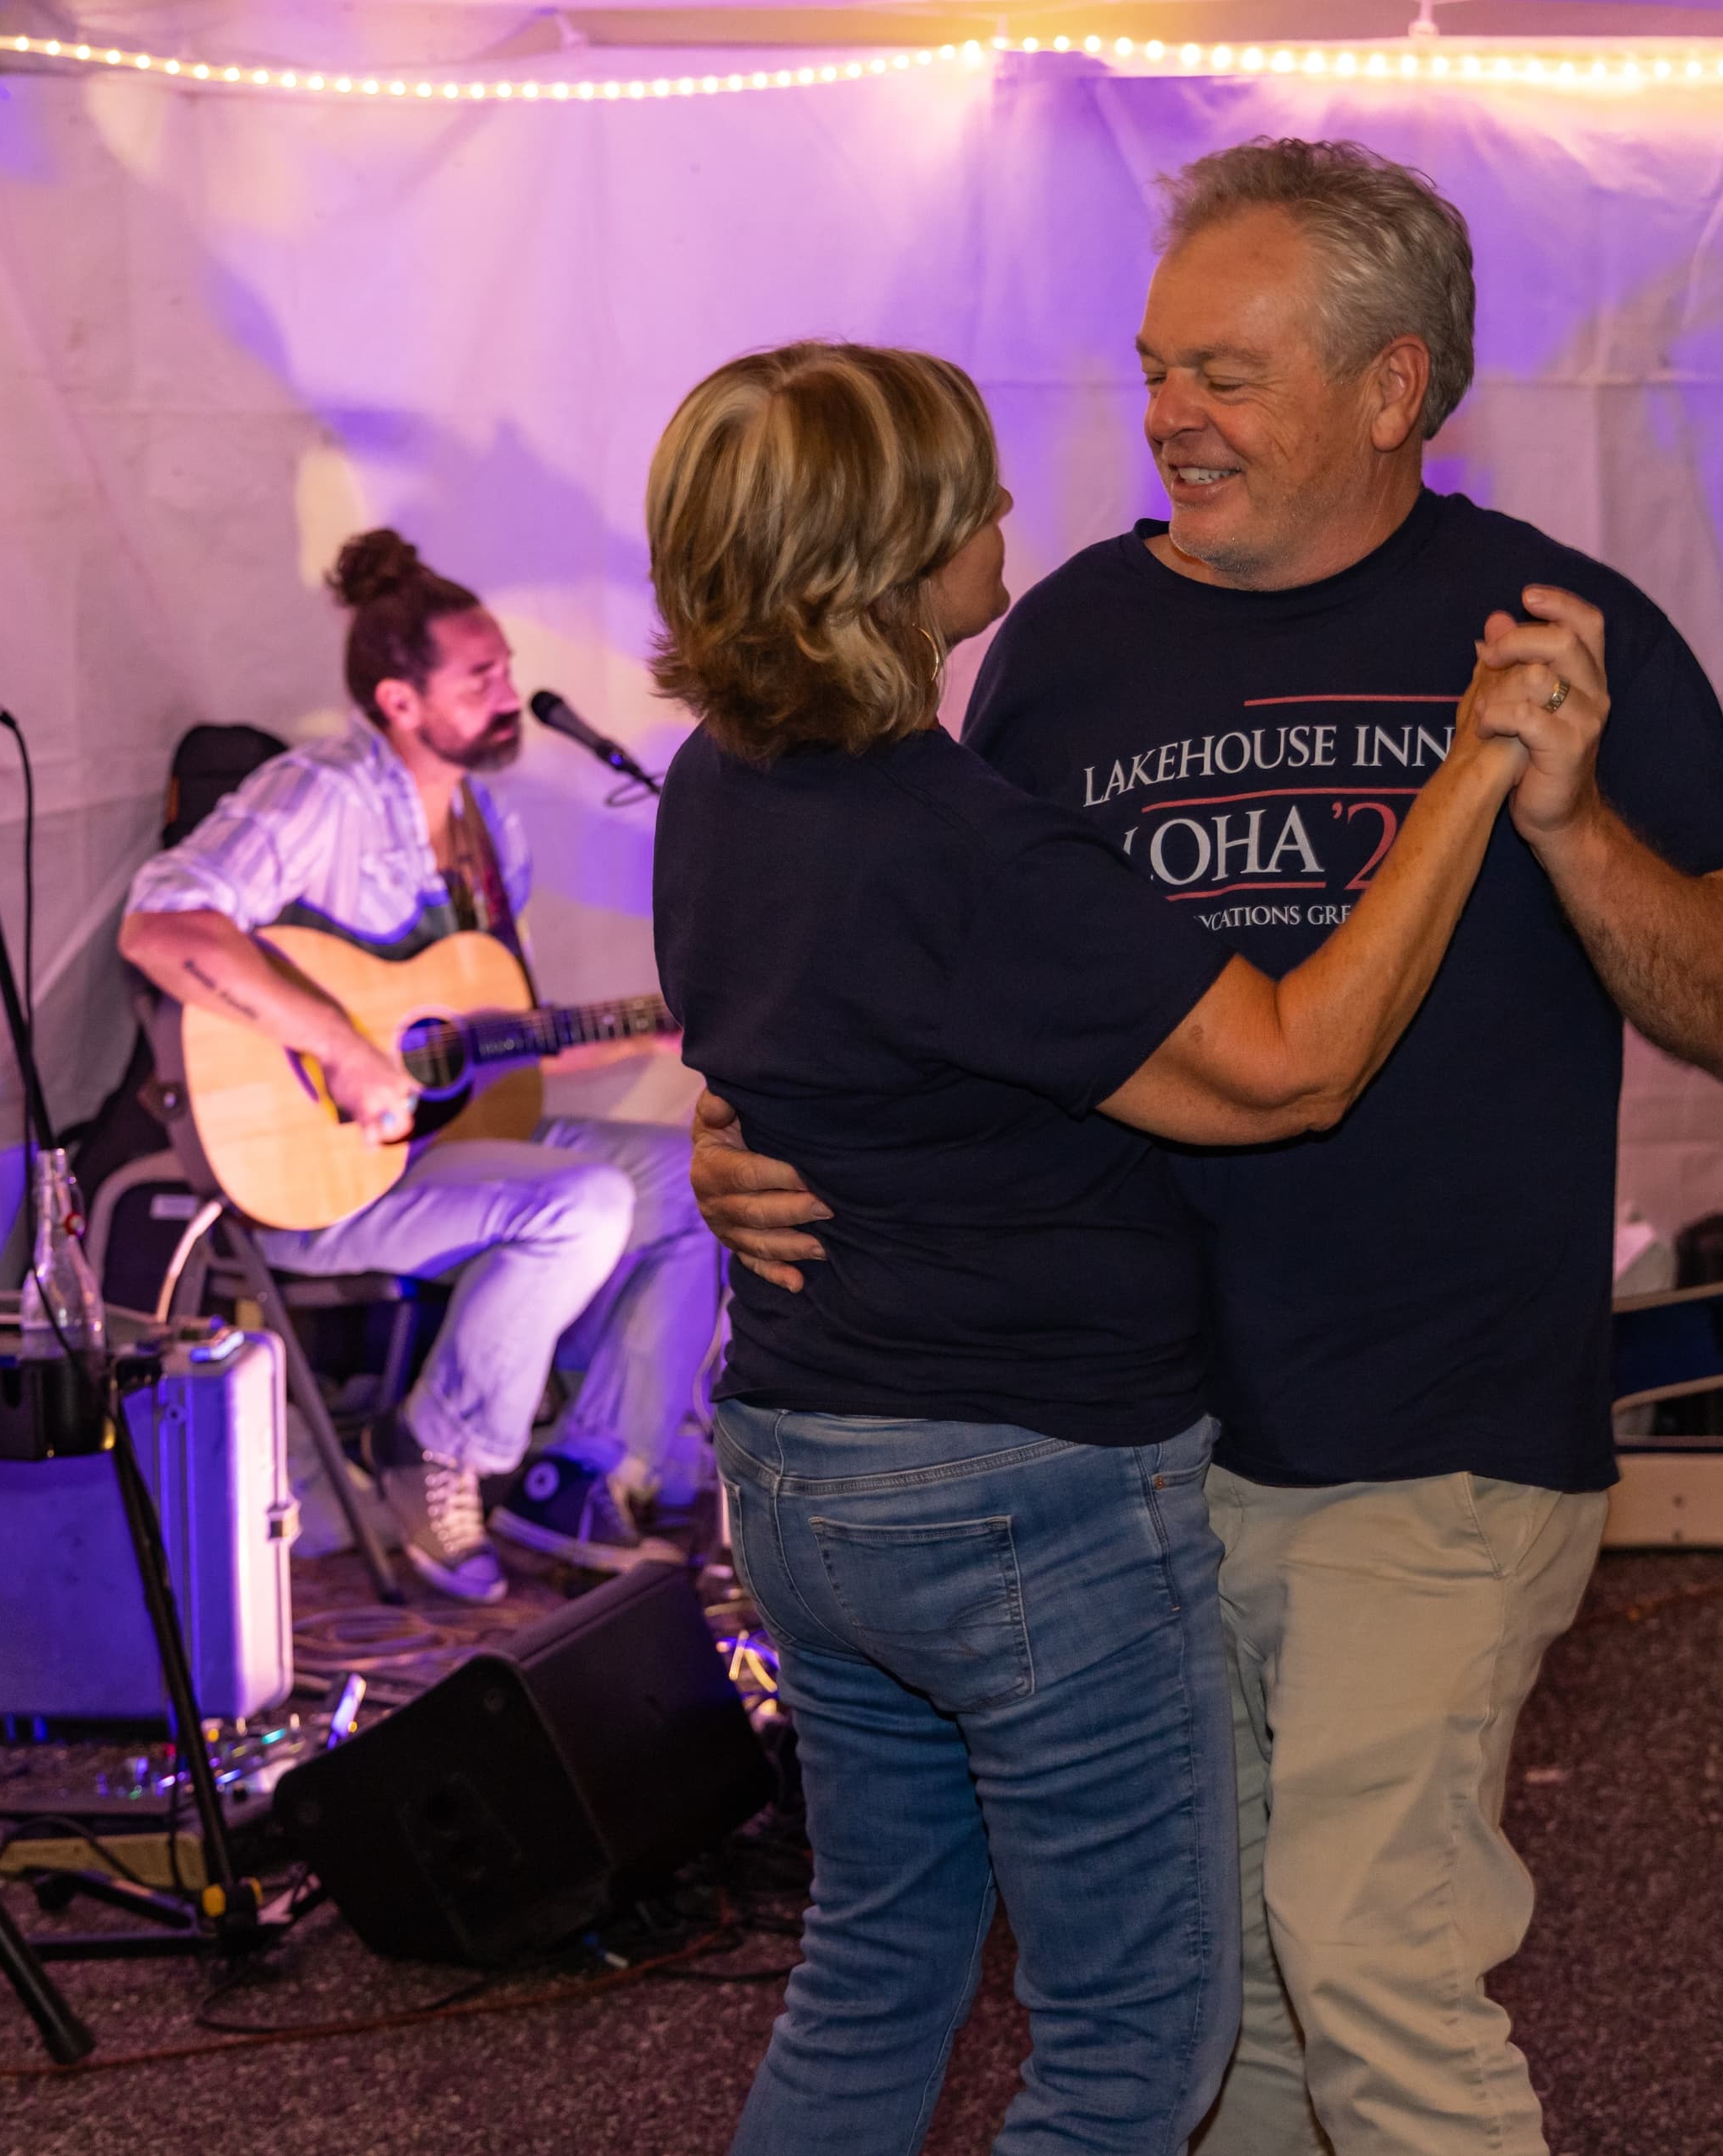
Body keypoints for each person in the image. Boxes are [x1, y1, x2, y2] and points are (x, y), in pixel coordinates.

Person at [695, 141, 1723, 2156]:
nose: (1167, 416)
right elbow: (919, 952)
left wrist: (1566, 819)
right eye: (1156, 367)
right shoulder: (1065, 642)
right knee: (1230, 2001)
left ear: (1391, 388)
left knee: (1365, 1946)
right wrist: (748, 1119)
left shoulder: (1556, 628)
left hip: (1432, 1423)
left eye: (1225, 371)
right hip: (1120, 1453)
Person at [651, 342, 1561, 2156]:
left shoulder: (714, 784)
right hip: (1014, 1486)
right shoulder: (964, 853)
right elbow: (1290, 1070)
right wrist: (1470, 775)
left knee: (875, 1966)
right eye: (967, 491)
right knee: (1136, 2045)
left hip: (804, 1460)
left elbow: (805, 1047)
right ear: (888, 558)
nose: (1006, 508)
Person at [119, 531, 719, 1602]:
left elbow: (491, 1038)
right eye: (479, 677)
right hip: (316, 1175)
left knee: (688, 1182)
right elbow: (162, 925)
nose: (509, 694)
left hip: (446, 1147)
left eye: (506, 668)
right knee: (581, 1202)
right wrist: (342, 1048)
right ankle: (433, 1447)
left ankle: (580, 1473)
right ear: (399, 700)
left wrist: (653, 1028)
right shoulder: (320, 795)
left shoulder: (488, 829)